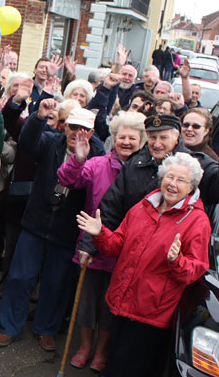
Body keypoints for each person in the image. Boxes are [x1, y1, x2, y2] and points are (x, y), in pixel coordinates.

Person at [77, 153, 211, 376]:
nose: (172, 184)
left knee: (131, 369)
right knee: (114, 364)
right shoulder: (144, 205)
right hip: (121, 301)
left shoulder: (197, 221)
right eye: (169, 177)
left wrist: (176, 260)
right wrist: (100, 234)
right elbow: (117, 244)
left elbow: (194, 270)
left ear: (192, 186)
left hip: (150, 314)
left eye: (181, 180)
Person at [0, 99, 105, 351]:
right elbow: (28, 141)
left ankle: (47, 328)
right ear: (64, 126)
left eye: (84, 129)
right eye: (73, 126)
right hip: (36, 222)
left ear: (93, 132)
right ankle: (9, 327)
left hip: (67, 229)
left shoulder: (98, 154)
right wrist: (39, 117)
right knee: (21, 277)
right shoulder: (51, 141)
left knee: (56, 282)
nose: (78, 133)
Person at [56, 111, 147, 372]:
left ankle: (102, 350)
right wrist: (79, 158)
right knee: (85, 301)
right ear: (113, 139)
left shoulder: (149, 172)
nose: (126, 142)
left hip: (125, 253)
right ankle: (84, 346)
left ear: (141, 140)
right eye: (121, 137)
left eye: (132, 137)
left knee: (110, 306)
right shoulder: (98, 164)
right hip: (92, 247)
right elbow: (67, 180)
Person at [99, 113, 219, 232]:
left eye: (163, 137)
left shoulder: (195, 164)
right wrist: (92, 243)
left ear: (177, 137)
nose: (157, 144)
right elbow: (112, 205)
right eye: (152, 138)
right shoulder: (135, 163)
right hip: (131, 247)